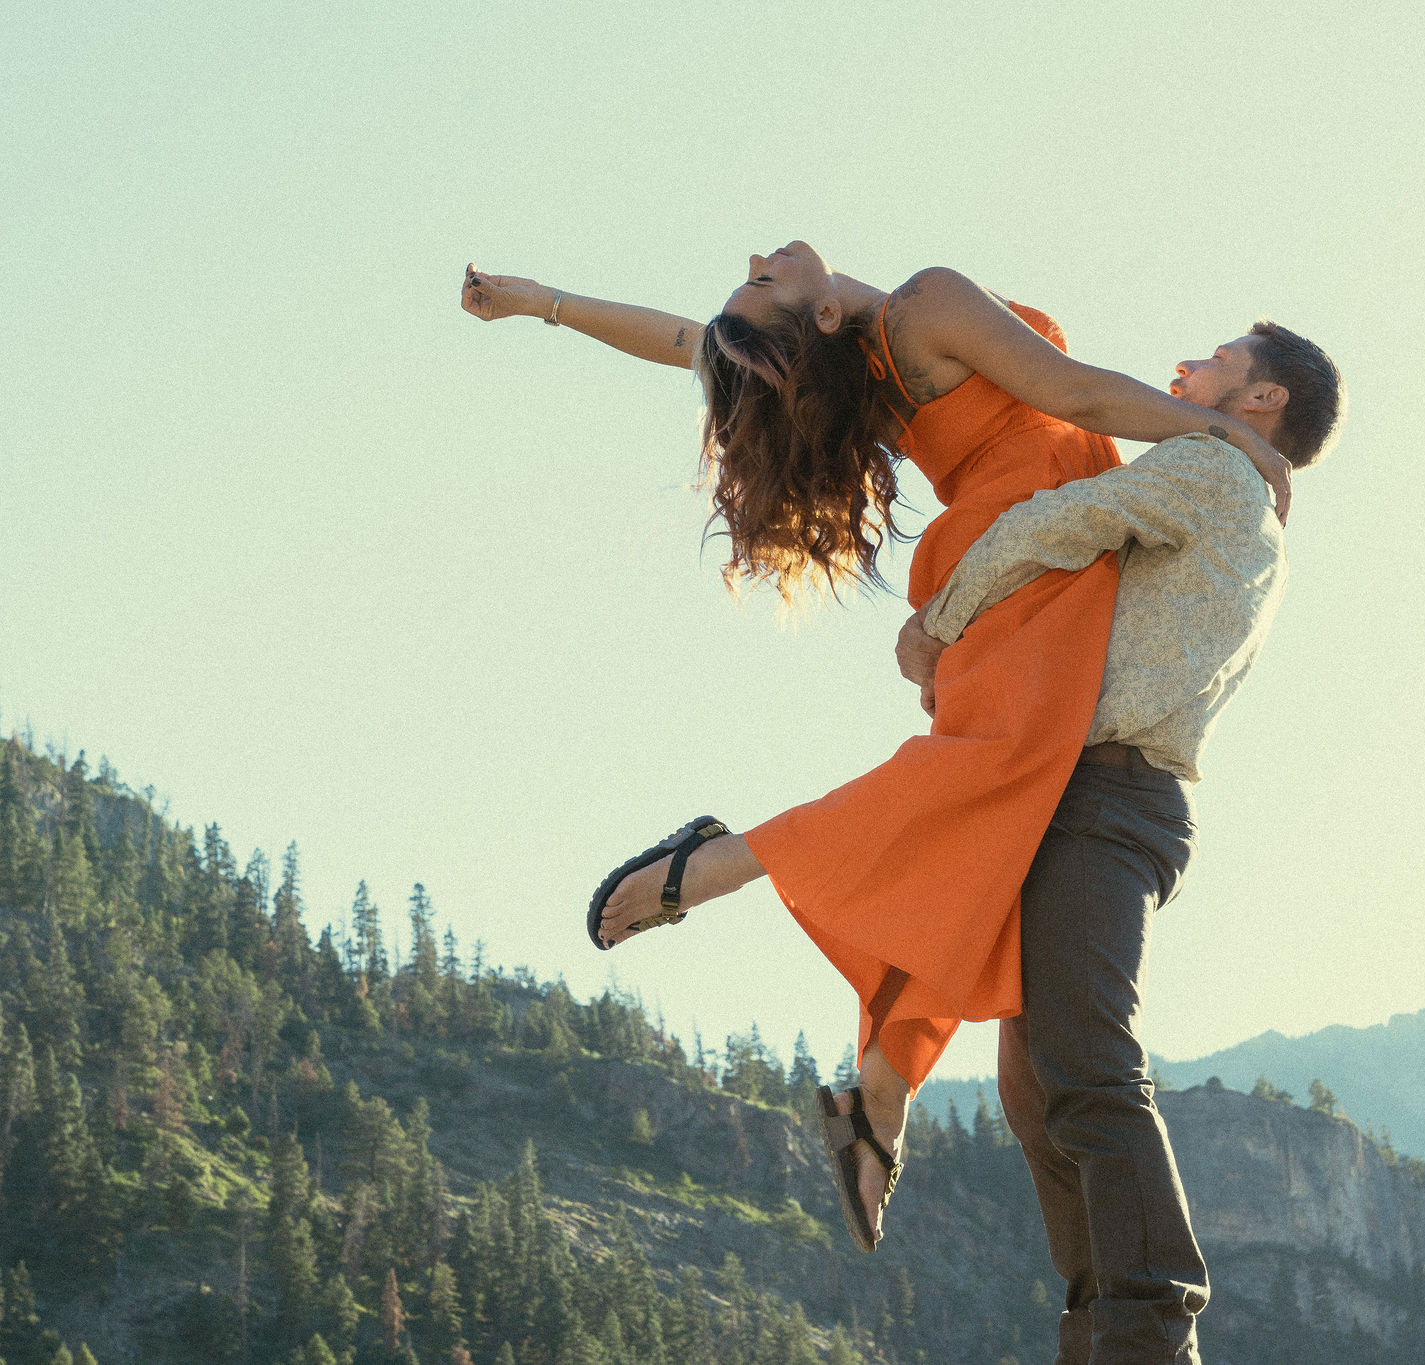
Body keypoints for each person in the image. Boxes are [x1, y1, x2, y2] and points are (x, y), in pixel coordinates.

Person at [459, 246, 1290, 1251]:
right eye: (765, 286)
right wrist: (1235, 439)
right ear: (812, 320)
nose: (758, 258)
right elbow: (1071, 391)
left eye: (753, 278)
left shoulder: (850, 357)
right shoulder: (923, 307)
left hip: (1035, 558)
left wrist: (539, 303)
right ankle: (721, 863)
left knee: (976, 843)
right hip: (1026, 556)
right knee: (982, 793)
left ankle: (879, 1104)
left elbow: (690, 342)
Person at [895, 321, 1345, 1364]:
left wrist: (937, 625)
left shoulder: (1204, 467)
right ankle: (1098, 1326)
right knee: (1033, 1084)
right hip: (1091, 796)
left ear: (1262, 399)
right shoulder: (1234, 487)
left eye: (1218, 357)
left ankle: (1148, 1331)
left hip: (1104, 796)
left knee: (1085, 1065)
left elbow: (1057, 521)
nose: (1187, 363)